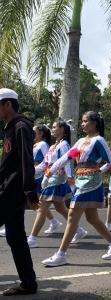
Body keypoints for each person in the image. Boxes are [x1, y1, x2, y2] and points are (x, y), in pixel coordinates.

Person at [41, 111, 111, 266]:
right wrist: (49, 173)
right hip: (81, 179)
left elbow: (110, 159)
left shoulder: (99, 140)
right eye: (82, 121)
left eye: (85, 121)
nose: (82, 124)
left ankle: (61, 254)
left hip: (91, 180)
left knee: (73, 214)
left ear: (94, 123)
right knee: (92, 218)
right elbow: (65, 157)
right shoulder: (81, 141)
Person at [0, 88, 38, 296]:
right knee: (16, 237)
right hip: (9, 189)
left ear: (7, 104)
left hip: (11, 191)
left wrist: (29, 190)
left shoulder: (21, 127)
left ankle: (29, 282)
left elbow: (26, 160)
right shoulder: (11, 127)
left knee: (16, 237)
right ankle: (28, 283)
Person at [27, 120, 87, 248]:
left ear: (62, 130)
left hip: (56, 178)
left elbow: (66, 161)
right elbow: (45, 163)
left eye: (55, 127)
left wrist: (70, 178)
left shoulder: (64, 144)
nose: (52, 129)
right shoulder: (53, 145)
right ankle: (79, 230)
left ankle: (32, 238)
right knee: (60, 208)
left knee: (42, 206)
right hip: (50, 177)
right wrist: (31, 170)